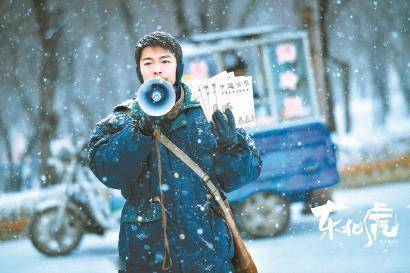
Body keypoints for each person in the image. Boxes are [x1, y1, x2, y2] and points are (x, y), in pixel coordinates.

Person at [87, 31, 262, 273]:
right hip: (147, 259)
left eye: (165, 61)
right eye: (148, 63)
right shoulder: (121, 120)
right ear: (139, 70)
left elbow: (244, 175)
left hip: (208, 255)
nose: (156, 70)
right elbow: (108, 173)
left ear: (178, 66)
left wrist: (231, 145)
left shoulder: (206, 111)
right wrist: (140, 132)